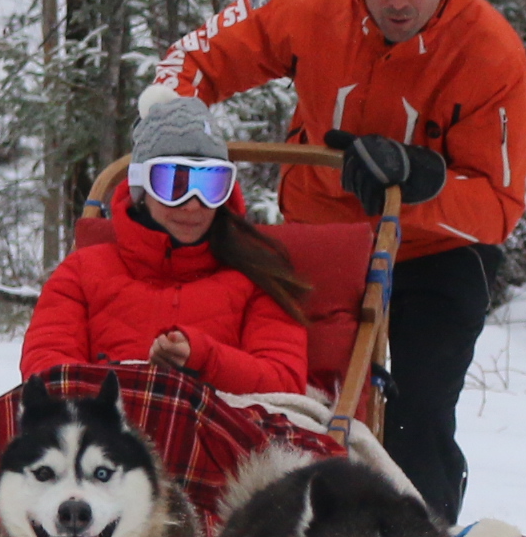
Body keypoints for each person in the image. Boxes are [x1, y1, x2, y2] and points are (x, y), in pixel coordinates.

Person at [153, 0, 526, 520]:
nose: (398, 0)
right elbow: (193, 58)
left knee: (418, 411)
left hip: (435, 247)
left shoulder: (491, 51)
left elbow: (500, 204)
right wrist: (169, 127)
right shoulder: (303, 1)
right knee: (293, 391)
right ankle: (271, 523)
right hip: (320, 234)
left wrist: (422, 181)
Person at [20, 93, 312, 396]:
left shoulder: (258, 275)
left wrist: (204, 359)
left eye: (211, 186)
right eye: (173, 184)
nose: (192, 205)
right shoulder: (82, 272)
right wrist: (117, 395)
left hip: (219, 421)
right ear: (142, 188)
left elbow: (284, 382)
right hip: (100, 420)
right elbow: (45, 368)